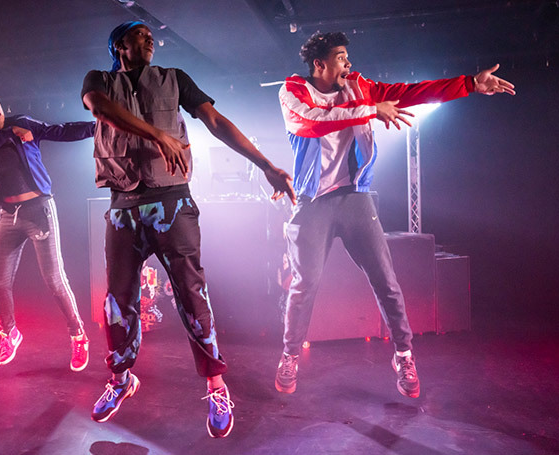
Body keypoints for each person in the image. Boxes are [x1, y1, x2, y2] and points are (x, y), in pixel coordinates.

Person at [80, 21, 295, 438]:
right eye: (140, 35)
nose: (151, 40)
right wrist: (157, 133)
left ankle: (216, 384)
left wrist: (266, 165)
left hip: (172, 202)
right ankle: (121, 379)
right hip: (123, 206)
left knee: (192, 295)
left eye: (151, 36)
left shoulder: (175, 79)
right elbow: (100, 108)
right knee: (117, 303)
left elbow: (215, 121)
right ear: (120, 44)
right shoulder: (100, 80)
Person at [275, 31, 515, 397]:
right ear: (319, 65)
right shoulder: (293, 91)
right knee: (304, 284)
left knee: (386, 281)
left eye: (347, 57)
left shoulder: (359, 89)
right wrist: (372, 110)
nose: (348, 64)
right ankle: (290, 355)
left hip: (355, 197)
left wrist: (468, 83)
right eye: (341, 58)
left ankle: (404, 354)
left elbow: (410, 93)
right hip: (312, 202)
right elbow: (315, 120)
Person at [0, 89, 96, 372]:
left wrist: (97, 126)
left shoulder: (23, 121)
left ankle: (78, 334)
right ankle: (9, 333)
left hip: (38, 211)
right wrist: (10, 133)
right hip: (8, 217)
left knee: (54, 280)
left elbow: (58, 131)